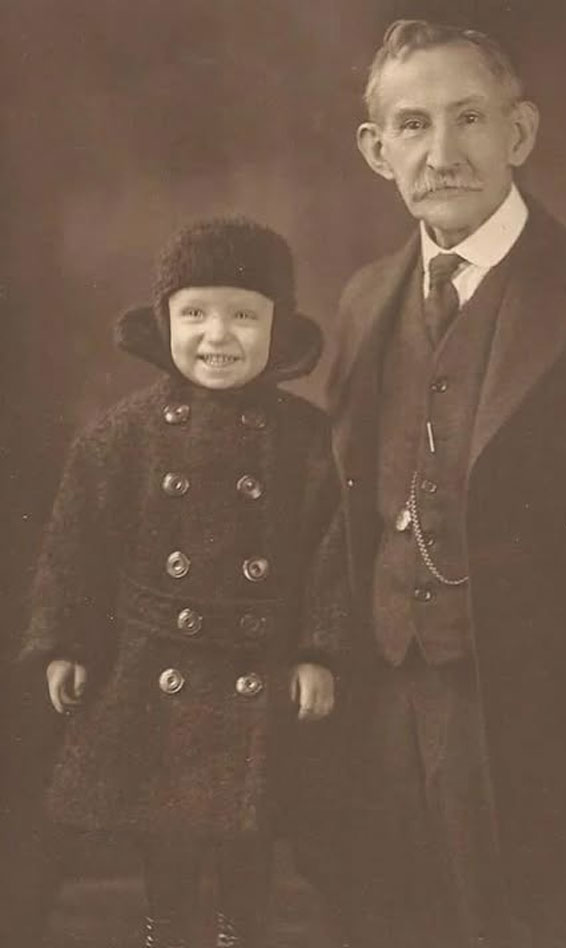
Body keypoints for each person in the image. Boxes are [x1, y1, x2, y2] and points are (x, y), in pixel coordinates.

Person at [324, 19, 566, 948]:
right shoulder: (365, 298)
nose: (442, 153)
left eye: (469, 119)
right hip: (382, 717)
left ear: (519, 133)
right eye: (412, 126)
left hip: (542, 731)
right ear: (377, 151)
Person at [20, 217, 350, 948]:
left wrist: (317, 651)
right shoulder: (119, 437)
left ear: (279, 326)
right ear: (163, 320)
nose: (217, 335)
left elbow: (335, 554)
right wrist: (65, 642)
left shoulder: (308, 439)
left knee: (248, 846)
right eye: (194, 313)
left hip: (257, 669)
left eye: (244, 314)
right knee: (163, 843)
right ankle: (162, 932)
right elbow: (75, 550)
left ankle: (241, 932)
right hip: (154, 671)